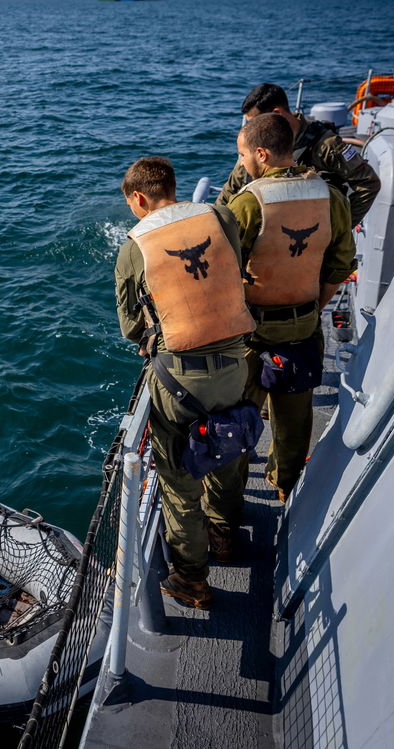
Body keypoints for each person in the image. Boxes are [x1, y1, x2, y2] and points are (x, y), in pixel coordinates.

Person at [115, 156, 256, 610]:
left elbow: (131, 326)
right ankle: (225, 536)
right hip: (236, 363)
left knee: (178, 486)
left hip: (179, 381)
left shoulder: (135, 244)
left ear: (138, 199)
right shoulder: (220, 216)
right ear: (172, 187)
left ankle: (193, 581)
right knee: (230, 451)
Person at [227, 114, 357, 502]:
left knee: (237, 411)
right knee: (295, 416)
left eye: (243, 154)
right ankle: (285, 486)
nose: (242, 161)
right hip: (302, 325)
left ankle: (230, 491)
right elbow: (341, 264)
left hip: (253, 329)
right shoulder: (329, 196)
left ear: (261, 154)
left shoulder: (248, 202)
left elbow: (225, 270)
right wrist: (312, 307)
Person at [215, 82, 381, 227]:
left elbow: (368, 183)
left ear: (277, 113)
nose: (251, 129)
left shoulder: (326, 146)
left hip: (309, 237)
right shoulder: (255, 146)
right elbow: (230, 191)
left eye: (255, 122)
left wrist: (337, 229)